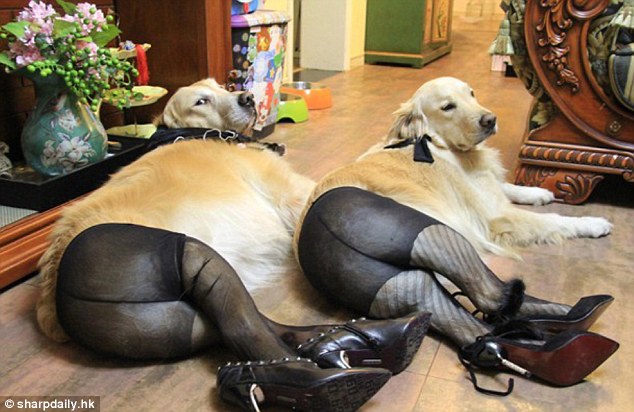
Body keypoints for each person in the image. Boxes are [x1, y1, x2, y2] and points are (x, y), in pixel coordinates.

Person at [55, 223, 431, 411]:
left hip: (104, 327)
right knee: (201, 268)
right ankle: (294, 358)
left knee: (230, 321)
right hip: (96, 265)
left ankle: (314, 355)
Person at [296, 186, 619, 396]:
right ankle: (507, 301)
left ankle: (484, 340)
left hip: (322, 265)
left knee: (418, 290)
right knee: (343, 203)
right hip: (340, 213)